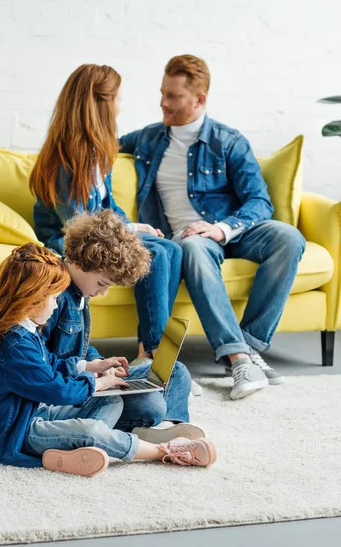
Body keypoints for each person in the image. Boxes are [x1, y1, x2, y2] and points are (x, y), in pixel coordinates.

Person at [120, 54, 306, 400]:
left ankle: (248, 350)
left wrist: (221, 228)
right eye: (162, 93)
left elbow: (260, 202)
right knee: (192, 245)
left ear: (199, 99)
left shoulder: (228, 141)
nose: (163, 102)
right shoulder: (147, 139)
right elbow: (96, 148)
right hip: (190, 240)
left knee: (289, 237)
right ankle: (239, 357)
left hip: (230, 230)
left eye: (173, 96)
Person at [0, 230, 216, 476]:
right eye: (51, 298)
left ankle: (80, 445)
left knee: (116, 399)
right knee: (91, 429)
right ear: (31, 300)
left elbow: (48, 362)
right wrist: (95, 383)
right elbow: (54, 388)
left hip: (36, 410)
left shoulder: (27, 331)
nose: (55, 302)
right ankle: (163, 450)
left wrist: (90, 366)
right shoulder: (18, 342)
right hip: (17, 432)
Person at [29, 64, 183, 358]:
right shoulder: (66, 158)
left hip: (99, 234)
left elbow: (107, 206)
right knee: (158, 254)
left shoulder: (101, 151)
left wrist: (135, 227)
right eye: (119, 100)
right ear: (102, 103)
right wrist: (127, 233)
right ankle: (154, 353)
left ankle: (148, 349)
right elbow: (78, 226)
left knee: (172, 249)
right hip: (71, 240)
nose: (121, 108)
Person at [42, 209, 202, 444]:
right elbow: (41, 361)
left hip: (88, 378)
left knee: (176, 371)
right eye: (102, 283)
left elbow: (78, 346)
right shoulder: (52, 298)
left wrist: (104, 364)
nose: (103, 293)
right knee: (152, 404)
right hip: (70, 389)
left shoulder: (81, 293)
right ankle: (154, 424)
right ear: (79, 262)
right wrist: (91, 371)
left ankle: (168, 427)